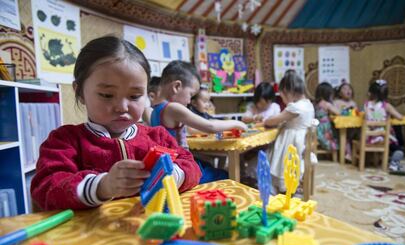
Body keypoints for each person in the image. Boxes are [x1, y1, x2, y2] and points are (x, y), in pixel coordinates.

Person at [30, 36, 201, 210]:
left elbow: (192, 166)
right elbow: (45, 187)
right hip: (93, 235)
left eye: (135, 96)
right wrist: (102, 186)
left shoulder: (158, 136)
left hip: (148, 231)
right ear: (80, 92)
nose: (122, 107)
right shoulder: (65, 141)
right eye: (107, 95)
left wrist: (173, 176)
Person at [147, 60, 247, 183]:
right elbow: (210, 126)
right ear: (176, 87)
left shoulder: (155, 110)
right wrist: (237, 123)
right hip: (181, 166)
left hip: (171, 165)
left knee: (209, 166)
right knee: (226, 175)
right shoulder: (173, 108)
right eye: (191, 94)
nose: (189, 101)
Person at [263, 70, 315, 193]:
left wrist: (266, 120)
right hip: (304, 142)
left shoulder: (295, 107)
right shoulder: (308, 104)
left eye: (282, 96)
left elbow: (273, 120)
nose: (283, 101)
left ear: (288, 92)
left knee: (273, 150)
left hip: (294, 144)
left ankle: (280, 184)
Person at [364, 79, 405, 173]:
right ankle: (394, 164)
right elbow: (400, 117)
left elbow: (367, 117)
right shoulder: (386, 105)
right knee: (399, 149)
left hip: (370, 137)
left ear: (370, 93)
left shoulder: (366, 105)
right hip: (383, 137)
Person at [314, 82, 340, 151]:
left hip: (317, 127)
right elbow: (339, 113)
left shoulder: (316, 103)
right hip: (324, 128)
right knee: (337, 134)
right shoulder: (326, 104)